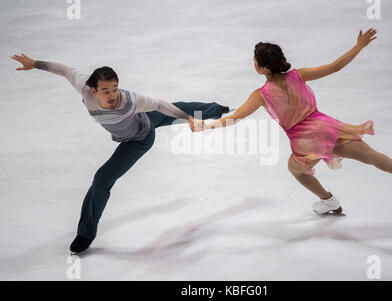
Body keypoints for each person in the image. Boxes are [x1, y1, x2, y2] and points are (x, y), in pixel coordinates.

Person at [200, 28, 392, 215]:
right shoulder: (298, 75)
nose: (253, 63)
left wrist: (204, 125)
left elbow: (235, 119)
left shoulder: (260, 94)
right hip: (327, 127)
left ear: (261, 67)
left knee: (296, 170)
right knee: (370, 156)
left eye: (254, 60)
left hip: (304, 141)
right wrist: (359, 46)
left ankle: (329, 201)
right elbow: (335, 67)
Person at [12, 53, 230, 254]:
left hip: (139, 139)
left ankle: (84, 234)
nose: (112, 95)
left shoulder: (130, 101)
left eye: (115, 88)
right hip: (137, 126)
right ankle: (213, 108)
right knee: (171, 111)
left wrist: (188, 118)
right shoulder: (85, 88)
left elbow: (160, 103)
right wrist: (36, 64)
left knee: (102, 179)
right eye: (106, 90)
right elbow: (67, 70)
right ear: (94, 90)